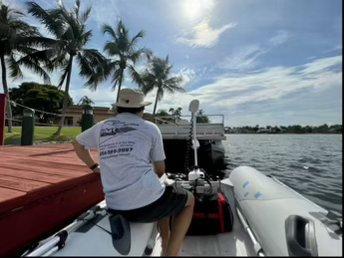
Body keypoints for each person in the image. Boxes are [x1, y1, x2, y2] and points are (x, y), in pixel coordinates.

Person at [72, 88, 194, 256]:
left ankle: (165, 239)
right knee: (189, 200)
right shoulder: (150, 128)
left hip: (116, 207)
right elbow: (160, 170)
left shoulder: (102, 127)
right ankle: (171, 252)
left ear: (117, 109)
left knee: (161, 191)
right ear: (142, 110)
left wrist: (94, 167)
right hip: (147, 206)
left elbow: (77, 144)